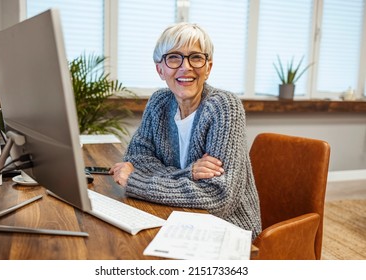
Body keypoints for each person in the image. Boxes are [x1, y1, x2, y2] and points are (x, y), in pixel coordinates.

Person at [110, 22, 262, 240]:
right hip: (177, 216)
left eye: (196, 57)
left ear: (208, 67)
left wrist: (137, 181)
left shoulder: (224, 106)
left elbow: (218, 197)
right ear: (160, 69)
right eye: (174, 57)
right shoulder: (159, 102)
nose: (186, 67)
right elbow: (137, 159)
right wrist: (189, 173)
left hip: (227, 229)